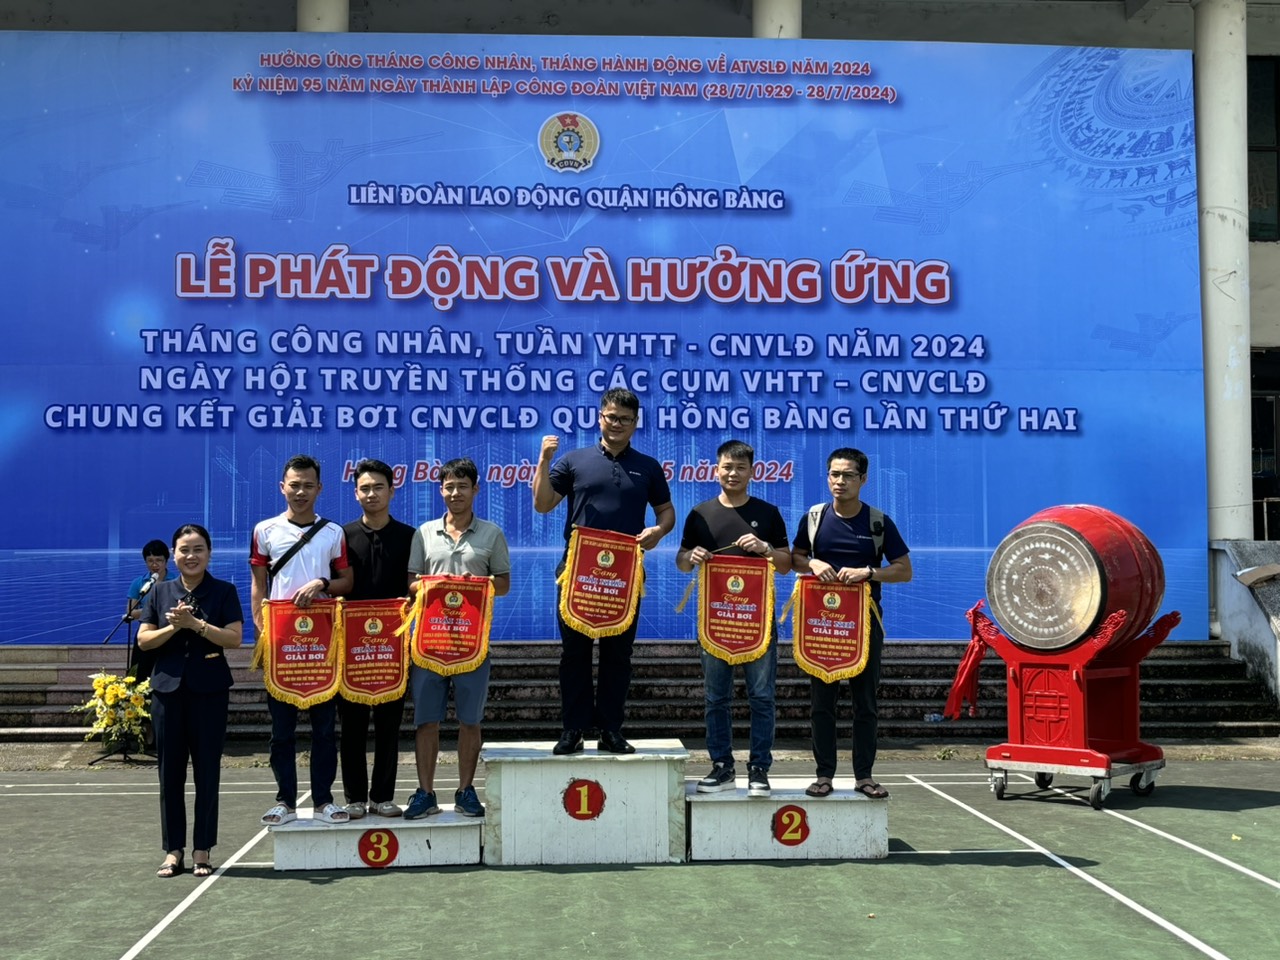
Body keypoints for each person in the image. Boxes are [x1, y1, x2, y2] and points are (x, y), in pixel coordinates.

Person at [533, 387, 675, 755]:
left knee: (618, 655)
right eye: (611, 417)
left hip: (624, 575)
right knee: (574, 654)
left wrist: (658, 532)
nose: (617, 424)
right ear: (600, 417)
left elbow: (666, 512)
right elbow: (543, 504)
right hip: (577, 573)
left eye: (625, 419)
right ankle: (573, 729)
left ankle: (611, 730)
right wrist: (544, 461)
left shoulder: (648, 466)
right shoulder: (573, 460)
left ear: (635, 423)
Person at [791, 447, 912, 799]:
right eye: (834, 474)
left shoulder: (878, 522)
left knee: (865, 703)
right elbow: (794, 559)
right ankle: (823, 775)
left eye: (848, 475)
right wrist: (812, 563)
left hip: (864, 624)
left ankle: (864, 776)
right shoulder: (814, 518)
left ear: (863, 479)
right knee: (821, 704)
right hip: (821, 624)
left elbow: (904, 570)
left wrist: (869, 572)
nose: (839, 481)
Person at [676, 440, 791, 799]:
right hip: (717, 621)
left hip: (757, 622)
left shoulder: (768, 513)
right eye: (727, 466)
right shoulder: (700, 513)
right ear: (716, 470)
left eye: (741, 467)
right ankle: (722, 766)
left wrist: (766, 549)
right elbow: (681, 562)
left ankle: (759, 769)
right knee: (716, 698)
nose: (733, 473)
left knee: (762, 697)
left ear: (752, 472)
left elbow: (786, 564)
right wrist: (691, 556)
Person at [250, 454, 354, 826]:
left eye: (308, 485)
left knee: (324, 728)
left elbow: (347, 582)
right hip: (283, 645)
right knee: (281, 731)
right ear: (283, 487)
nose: (300, 492)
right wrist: (263, 634)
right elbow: (259, 585)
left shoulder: (333, 532)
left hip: (322, 645)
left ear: (319, 488)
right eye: (294, 485)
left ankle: (324, 800)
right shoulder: (265, 530)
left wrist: (322, 583)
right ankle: (285, 801)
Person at [404, 458, 510, 819]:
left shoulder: (491, 534)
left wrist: (476, 584)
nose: (455, 493)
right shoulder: (424, 533)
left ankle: (466, 790)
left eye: (462, 486)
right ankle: (425, 792)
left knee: (470, 721)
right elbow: (412, 583)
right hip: (429, 643)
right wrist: (436, 585)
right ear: (441, 490)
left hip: (471, 644)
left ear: (475, 489)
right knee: (426, 721)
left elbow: (504, 584)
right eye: (449, 486)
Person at [137, 524, 243, 879]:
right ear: (174, 554)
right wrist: (174, 627)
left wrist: (196, 625)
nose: (191, 556)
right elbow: (144, 641)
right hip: (167, 692)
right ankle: (173, 850)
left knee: (207, 772)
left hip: (209, 692)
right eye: (184, 549)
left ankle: (202, 849)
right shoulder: (159, 591)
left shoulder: (224, 591)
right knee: (169, 774)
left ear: (209, 553)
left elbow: (234, 638)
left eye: (198, 549)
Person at [339, 459, 414, 820]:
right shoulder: (341, 536)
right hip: (351, 646)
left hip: (392, 646)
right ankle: (354, 797)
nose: (372, 494)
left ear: (391, 491)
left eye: (378, 487)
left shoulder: (410, 537)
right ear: (356, 493)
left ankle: (383, 796)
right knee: (351, 725)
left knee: (389, 724)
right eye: (365, 488)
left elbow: (416, 586)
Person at [125, 540, 170, 682]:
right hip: (146, 631)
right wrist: (154, 610)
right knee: (141, 673)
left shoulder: (177, 581)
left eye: (159, 560)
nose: (154, 565)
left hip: (170, 631)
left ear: (166, 561)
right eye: (150, 561)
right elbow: (131, 612)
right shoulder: (139, 583)